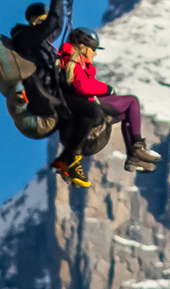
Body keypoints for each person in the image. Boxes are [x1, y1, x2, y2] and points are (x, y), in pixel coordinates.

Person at [55, 28, 158, 178]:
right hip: (88, 104)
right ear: (83, 47)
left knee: (125, 113)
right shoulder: (73, 60)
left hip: (85, 104)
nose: (95, 53)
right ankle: (135, 151)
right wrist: (106, 89)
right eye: (93, 49)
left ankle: (134, 154)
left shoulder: (72, 60)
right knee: (132, 102)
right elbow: (83, 86)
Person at [6, 0, 68, 120]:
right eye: (41, 21)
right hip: (40, 96)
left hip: (51, 91)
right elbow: (51, 25)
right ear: (34, 22)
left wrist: (61, 1)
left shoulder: (41, 42)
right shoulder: (25, 39)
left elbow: (56, 26)